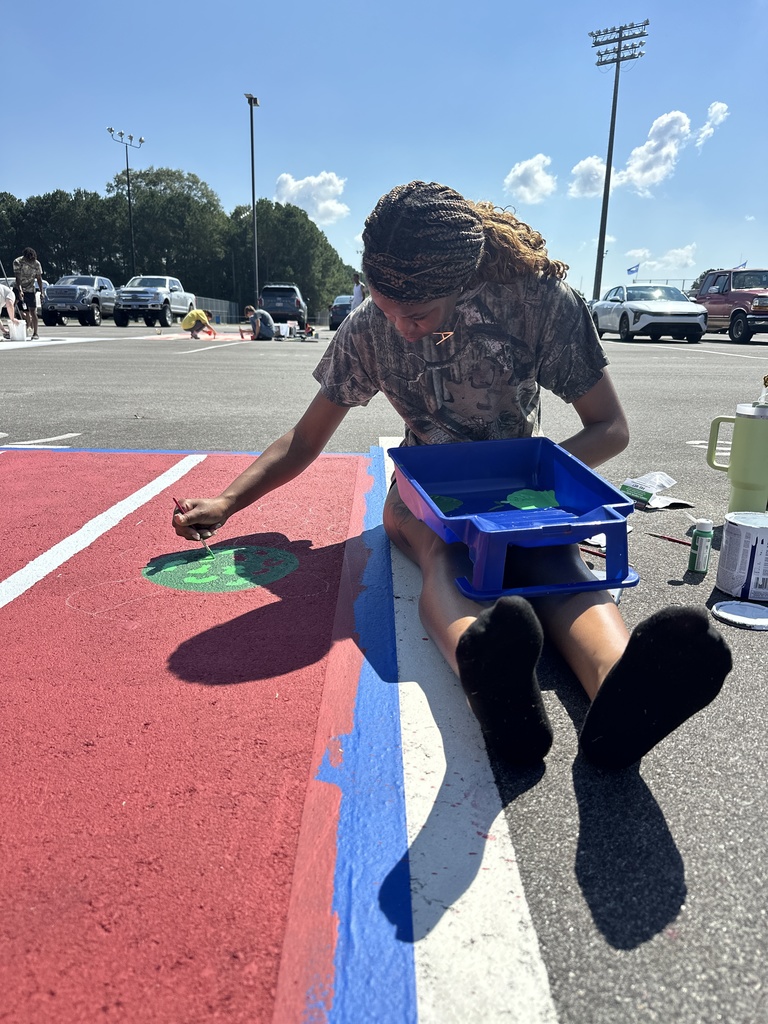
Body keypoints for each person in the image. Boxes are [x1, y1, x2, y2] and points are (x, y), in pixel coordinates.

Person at [172, 180, 732, 771]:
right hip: (424, 495)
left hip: (525, 493)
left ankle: (622, 695)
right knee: (446, 554)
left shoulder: (537, 299)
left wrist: (532, 483)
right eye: (385, 308)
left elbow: (610, 427)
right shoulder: (369, 326)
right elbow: (306, 437)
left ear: (460, 283)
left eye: (416, 315)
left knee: (557, 562)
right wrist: (229, 501)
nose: (400, 328)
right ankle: (487, 672)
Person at [13, 247, 44, 340]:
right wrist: (20, 290)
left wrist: (42, 292)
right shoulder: (18, 262)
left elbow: (39, 279)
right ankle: (14, 331)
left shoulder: (37, 264)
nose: (31, 261)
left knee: (33, 311)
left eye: (32, 259)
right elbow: (17, 277)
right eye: (29, 259)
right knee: (13, 307)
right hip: (18, 287)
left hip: (30, 289)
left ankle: (35, 333)